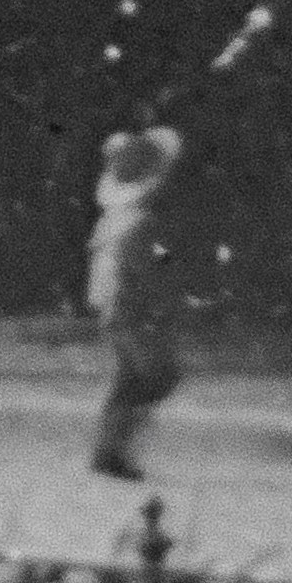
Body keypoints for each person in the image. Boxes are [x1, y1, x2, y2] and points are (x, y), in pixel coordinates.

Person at [87, 117, 187, 480]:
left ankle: (111, 449)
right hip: (134, 310)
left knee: (133, 378)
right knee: (155, 376)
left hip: (119, 309)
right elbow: (148, 266)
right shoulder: (141, 219)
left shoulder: (120, 213)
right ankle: (116, 449)